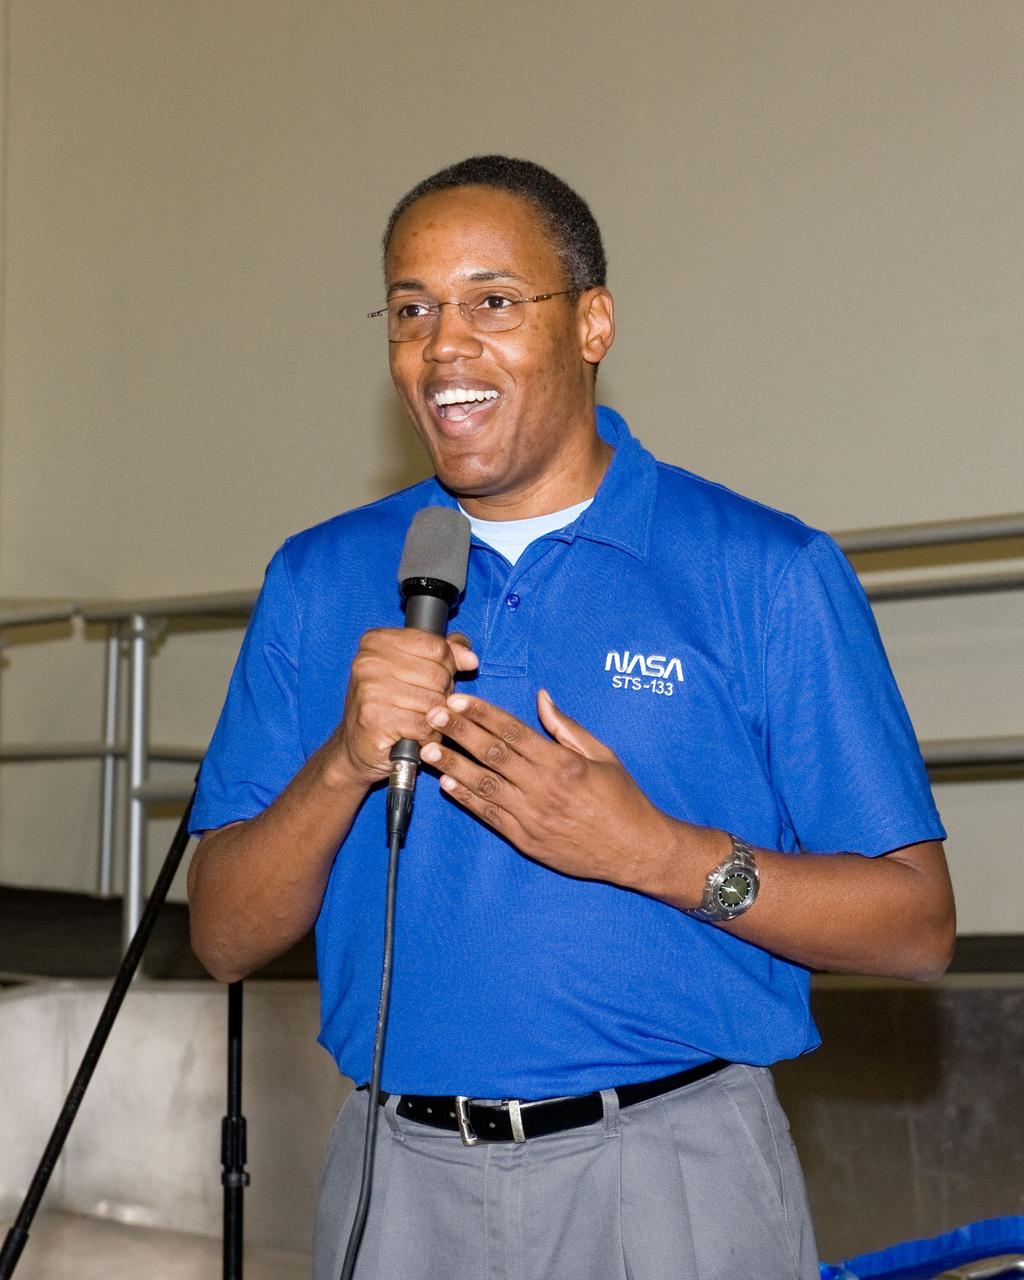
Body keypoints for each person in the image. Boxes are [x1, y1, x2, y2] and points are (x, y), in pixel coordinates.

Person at [187, 155, 954, 1280]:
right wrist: (345, 760)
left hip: (673, 1174)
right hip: (395, 1182)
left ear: (592, 323)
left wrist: (653, 851)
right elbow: (222, 936)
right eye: (412, 310)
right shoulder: (319, 575)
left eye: (492, 302)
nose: (444, 346)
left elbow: (916, 927)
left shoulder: (764, 569)